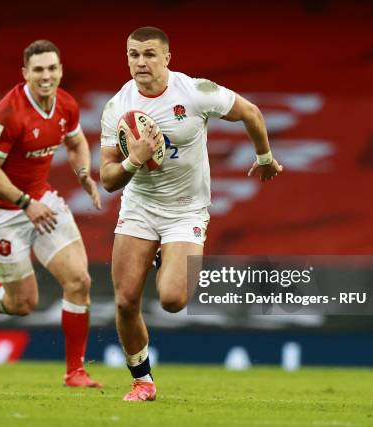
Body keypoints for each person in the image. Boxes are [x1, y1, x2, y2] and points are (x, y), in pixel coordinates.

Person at [100, 27, 282, 401]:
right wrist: (134, 160)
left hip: (185, 210)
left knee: (173, 299)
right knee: (124, 300)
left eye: (149, 54)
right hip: (139, 207)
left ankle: (167, 255)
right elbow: (107, 177)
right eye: (133, 54)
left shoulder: (196, 92)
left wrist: (264, 156)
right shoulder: (118, 105)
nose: (140, 62)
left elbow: (251, 112)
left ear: (168, 57)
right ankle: (142, 381)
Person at [0, 39, 102, 388]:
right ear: (25, 73)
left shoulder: (66, 105)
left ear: (61, 70)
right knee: (23, 305)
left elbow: (77, 142)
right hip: (2, 214)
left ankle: (75, 372)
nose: (46, 76)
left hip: (42, 201)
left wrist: (83, 174)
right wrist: (25, 203)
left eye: (52, 68)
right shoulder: (8, 113)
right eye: (38, 70)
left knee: (79, 281)